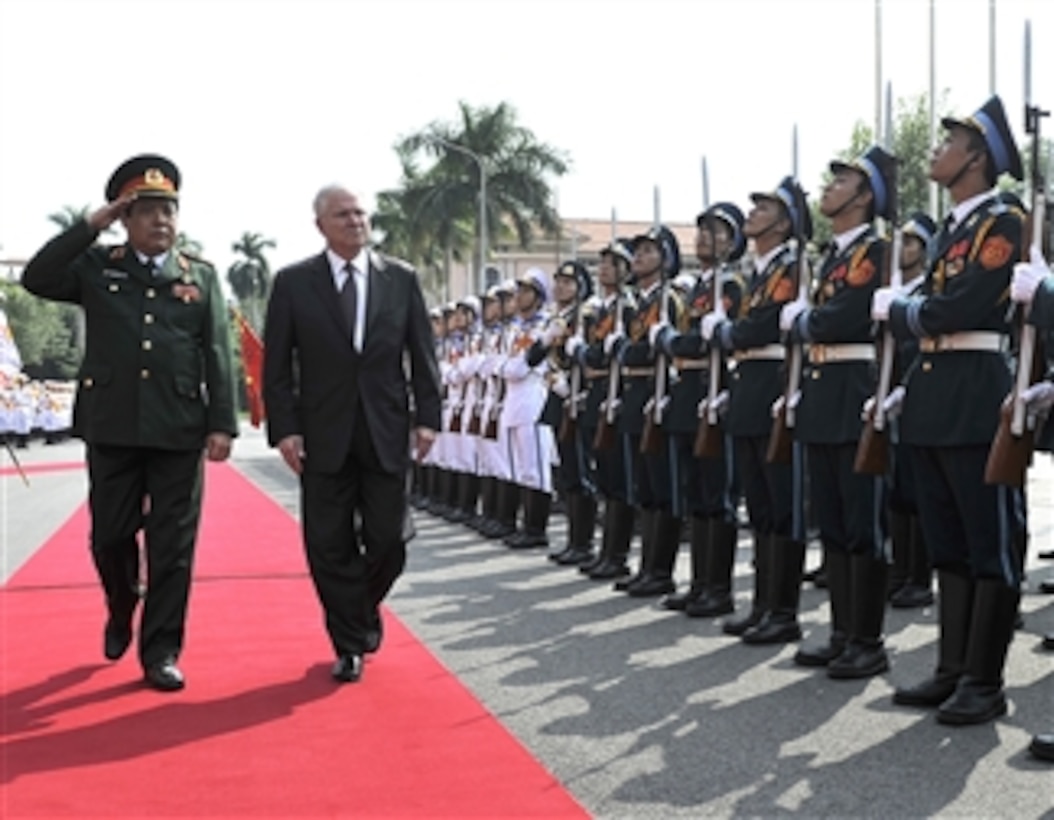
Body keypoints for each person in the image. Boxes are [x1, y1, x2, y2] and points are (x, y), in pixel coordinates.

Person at [21, 154, 238, 692]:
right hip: (112, 425)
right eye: (148, 211)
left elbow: (217, 350)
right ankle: (122, 604)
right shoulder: (98, 268)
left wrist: (222, 424)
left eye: (169, 211)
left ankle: (160, 650)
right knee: (110, 537)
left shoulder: (201, 276)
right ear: (125, 218)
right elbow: (36, 277)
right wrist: (89, 225)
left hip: (178, 429)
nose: (162, 221)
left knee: (173, 547)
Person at [873, 95, 1025, 725]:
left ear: (978, 157)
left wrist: (904, 312)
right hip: (936, 389)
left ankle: (985, 680)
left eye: (950, 142)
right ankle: (952, 667)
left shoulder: (1005, 222)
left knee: (988, 541)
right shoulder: (955, 229)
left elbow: (962, 306)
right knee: (947, 542)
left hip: (974, 391)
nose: (937, 151)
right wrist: (909, 375)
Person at [262, 184, 441, 684]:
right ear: (321, 224)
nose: (355, 221)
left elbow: (422, 355)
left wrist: (428, 417)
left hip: (387, 428)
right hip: (322, 433)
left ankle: (358, 609)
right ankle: (348, 642)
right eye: (343, 214)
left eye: (360, 212)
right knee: (328, 542)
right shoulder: (294, 283)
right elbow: (277, 365)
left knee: (390, 539)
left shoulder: (400, 279)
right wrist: (286, 429)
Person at [783, 145, 894, 679]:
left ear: (865, 195)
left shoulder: (874, 249)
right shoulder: (834, 254)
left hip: (853, 387)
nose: (829, 189)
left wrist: (804, 321)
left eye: (842, 181)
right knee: (831, 522)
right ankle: (843, 631)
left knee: (861, 524)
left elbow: (840, 319)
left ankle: (868, 639)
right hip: (825, 389)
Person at [702, 176, 811, 645]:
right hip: (749, 387)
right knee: (760, 508)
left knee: (782, 506)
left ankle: (783, 610)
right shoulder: (757, 271)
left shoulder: (792, 265)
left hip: (773, 384)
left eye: (764, 209)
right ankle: (763, 604)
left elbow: (761, 328)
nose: (753, 214)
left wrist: (726, 333)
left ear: (785, 222)